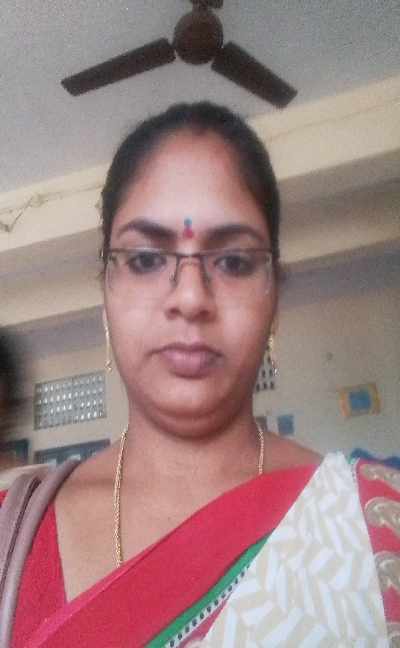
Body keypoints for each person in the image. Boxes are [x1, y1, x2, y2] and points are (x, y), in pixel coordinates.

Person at [1, 102, 399, 647]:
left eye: (233, 261)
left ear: (274, 296)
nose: (190, 298)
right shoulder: (13, 535)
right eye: (146, 259)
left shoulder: (374, 525)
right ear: (105, 291)